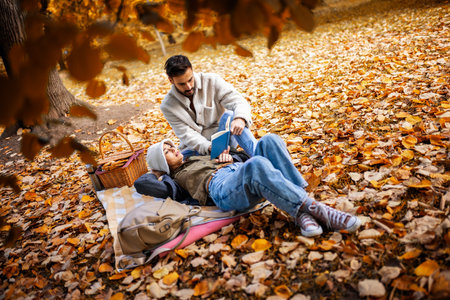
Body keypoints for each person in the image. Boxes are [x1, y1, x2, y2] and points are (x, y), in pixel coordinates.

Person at [145, 134, 362, 237]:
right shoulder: (171, 180)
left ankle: (300, 213)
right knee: (257, 164)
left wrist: (230, 159)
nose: (173, 149)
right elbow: (143, 184)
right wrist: (156, 170)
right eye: (166, 151)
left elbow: (239, 158)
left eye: (171, 145)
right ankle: (319, 211)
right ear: (162, 164)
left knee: (269, 140)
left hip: (238, 173)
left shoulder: (193, 157)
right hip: (223, 189)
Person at [161, 55, 257, 158]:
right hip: (195, 148)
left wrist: (240, 118)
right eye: (182, 84)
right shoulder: (168, 106)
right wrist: (210, 147)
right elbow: (187, 135)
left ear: (192, 71)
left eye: (190, 80)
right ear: (171, 80)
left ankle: (261, 157)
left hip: (223, 140)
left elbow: (238, 101)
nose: (188, 87)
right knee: (173, 163)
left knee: (231, 115)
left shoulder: (212, 80)